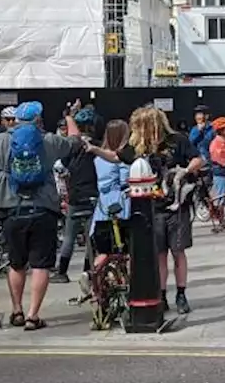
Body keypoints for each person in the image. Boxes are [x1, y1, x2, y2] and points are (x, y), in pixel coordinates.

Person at [0, 101, 120, 331]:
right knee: (40, 265)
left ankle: (17, 310)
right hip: (43, 208)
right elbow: (76, 143)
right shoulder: (49, 141)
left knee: (16, 263)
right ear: (39, 119)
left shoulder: (1, 141)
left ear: (16, 119)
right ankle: (33, 315)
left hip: (10, 207)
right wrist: (70, 117)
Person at [127, 105, 204, 315]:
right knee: (159, 254)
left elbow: (198, 159)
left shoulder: (177, 140)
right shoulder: (139, 146)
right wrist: (93, 149)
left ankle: (181, 293)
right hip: (153, 207)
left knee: (178, 251)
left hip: (177, 205)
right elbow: (117, 156)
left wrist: (185, 170)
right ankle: (161, 294)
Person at [52, 106, 99, 284]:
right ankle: (89, 271)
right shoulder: (98, 145)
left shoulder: (71, 147)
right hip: (93, 194)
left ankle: (62, 271)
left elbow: (60, 167)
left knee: (69, 235)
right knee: (91, 234)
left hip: (75, 195)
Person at [90, 119, 132, 268]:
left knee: (104, 250)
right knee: (126, 250)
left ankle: (93, 276)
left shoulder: (98, 159)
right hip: (121, 203)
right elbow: (125, 181)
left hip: (102, 206)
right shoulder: (121, 159)